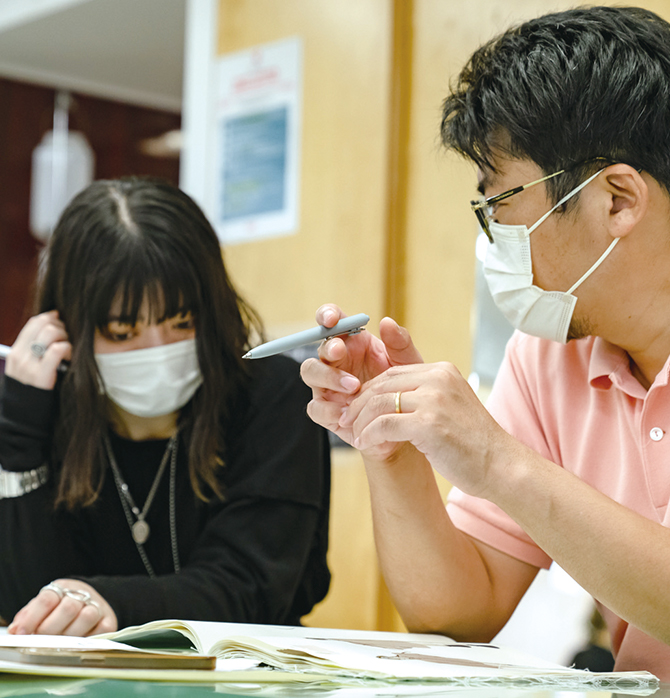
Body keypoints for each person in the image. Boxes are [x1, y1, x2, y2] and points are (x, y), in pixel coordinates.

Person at [300, 5, 670, 679]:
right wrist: (394, 445)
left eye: (499, 204)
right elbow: (459, 612)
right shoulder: (547, 357)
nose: (491, 235)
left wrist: (500, 462)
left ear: (617, 199)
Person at [0, 177, 330, 636]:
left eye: (182, 320)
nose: (157, 349)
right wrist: (17, 436)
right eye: (121, 331)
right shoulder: (36, 407)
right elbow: (27, 605)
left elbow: (253, 588)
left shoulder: (272, 396)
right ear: (67, 325)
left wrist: (114, 604)